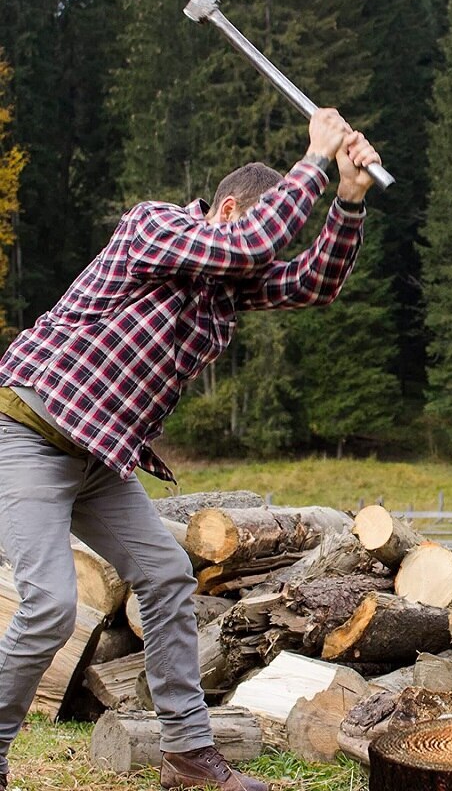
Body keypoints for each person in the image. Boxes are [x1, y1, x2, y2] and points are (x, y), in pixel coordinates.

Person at [0, 108, 381, 791]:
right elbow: (253, 245)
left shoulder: (225, 288)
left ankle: (187, 754)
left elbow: (312, 283)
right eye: (253, 233)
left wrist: (348, 200)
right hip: (29, 430)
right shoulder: (152, 226)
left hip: (98, 458)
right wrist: (317, 159)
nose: (260, 259)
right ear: (226, 209)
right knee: (51, 605)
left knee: (167, 577)